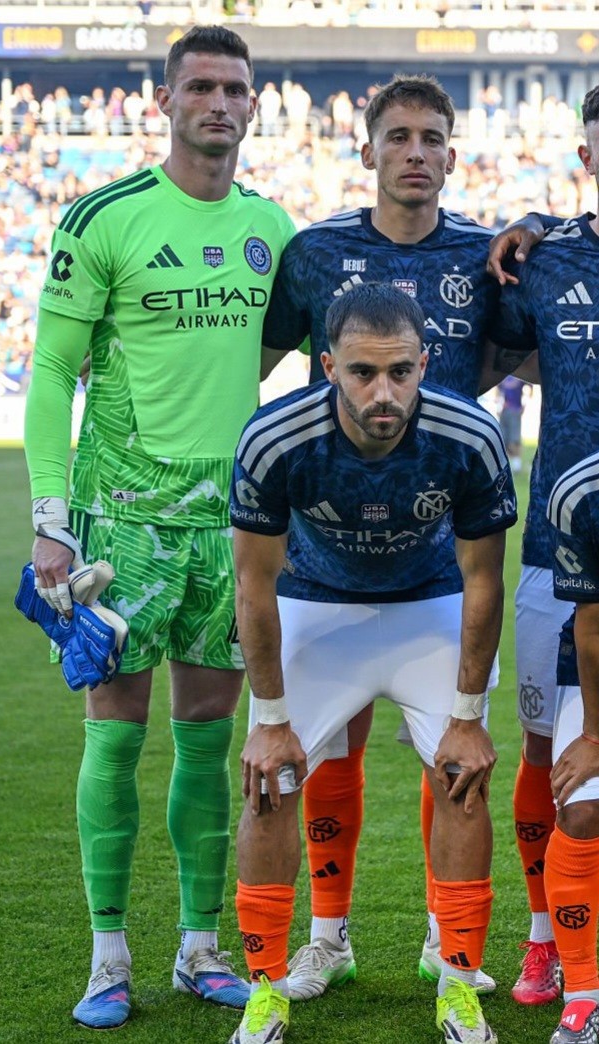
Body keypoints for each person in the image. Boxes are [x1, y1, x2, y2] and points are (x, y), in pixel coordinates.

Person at [23, 25, 295, 1031]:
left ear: (253, 105)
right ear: (166, 100)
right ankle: (107, 957)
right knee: (115, 739)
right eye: (201, 87)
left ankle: (197, 946)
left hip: (228, 529)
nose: (218, 103)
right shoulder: (106, 218)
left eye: (235, 87)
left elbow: (273, 353)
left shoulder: (274, 226)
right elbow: (52, 371)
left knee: (210, 738)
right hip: (120, 527)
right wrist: (53, 518)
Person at [260, 72, 513, 1001]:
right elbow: (257, 369)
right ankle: (327, 939)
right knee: (327, 751)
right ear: (366, 151)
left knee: (451, 751)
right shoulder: (316, 252)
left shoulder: (489, 258)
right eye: (398, 137)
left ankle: (447, 945)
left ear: (452, 153)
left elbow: (532, 354)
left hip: (439, 563)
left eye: (432, 138)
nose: (416, 153)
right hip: (321, 562)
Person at [228, 282, 515, 1044]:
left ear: (426, 362)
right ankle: (267, 989)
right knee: (269, 781)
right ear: (328, 366)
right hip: (317, 609)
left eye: (399, 372)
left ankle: (457, 983)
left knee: (463, 779)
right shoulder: (273, 438)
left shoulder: (470, 435)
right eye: (361, 373)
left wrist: (467, 716)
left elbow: (485, 578)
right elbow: (253, 587)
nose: (382, 392)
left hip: (429, 609)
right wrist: (269, 721)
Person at [489, 82, 599, 1008]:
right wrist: (532, 224)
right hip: (556, 556)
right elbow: (480, 349)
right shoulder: (548, 260)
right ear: (587, 159)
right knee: (545, 755)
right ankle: (543, 939)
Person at [546, 451, 599, 1044]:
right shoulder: (584, 490)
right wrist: (594, 738)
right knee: (581, 805)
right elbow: (593, 624)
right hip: (592, 679)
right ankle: (584, 994)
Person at [496, 374, 531, 474]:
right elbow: (498, 390)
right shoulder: (502, 375)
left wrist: (525, 404)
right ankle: (507, 466)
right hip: (503, 411)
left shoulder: (520, 373)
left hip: (515, 410)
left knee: (514, 439)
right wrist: (498, 404)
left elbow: (529, 388)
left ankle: (517, 466)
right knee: (503, 439)